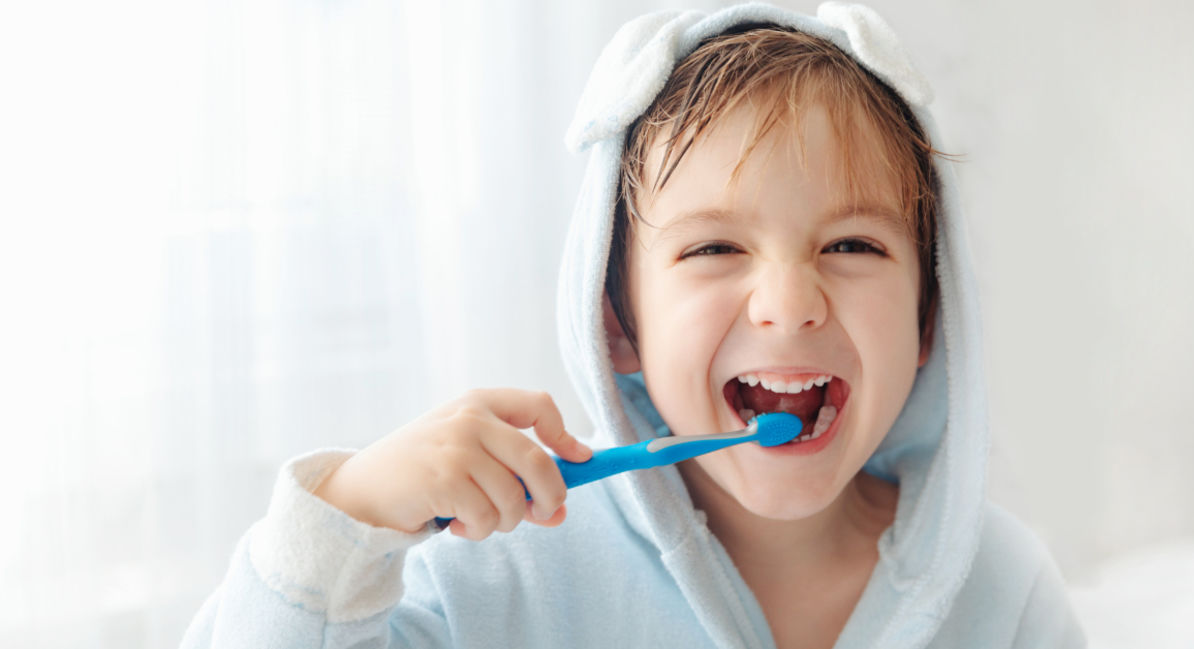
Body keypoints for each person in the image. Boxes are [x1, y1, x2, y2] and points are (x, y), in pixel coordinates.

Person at [181, 3, 1086, 647]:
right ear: (617, 327)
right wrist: (351, 517)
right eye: (714, 250)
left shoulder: (1000, 591)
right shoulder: (511, 572)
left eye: (851, 243)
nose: (789, 300)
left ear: (929, 321)